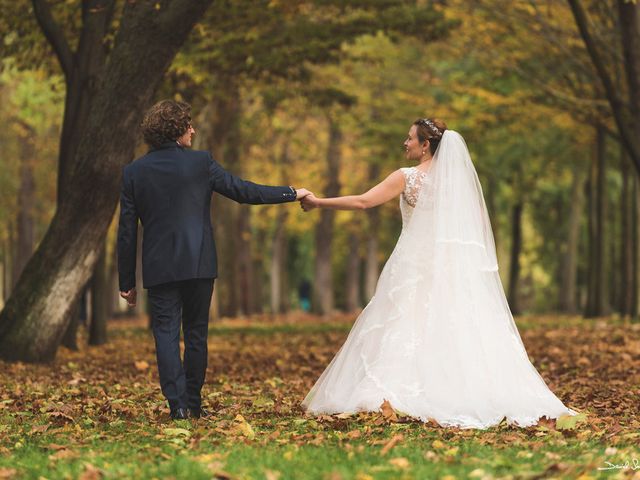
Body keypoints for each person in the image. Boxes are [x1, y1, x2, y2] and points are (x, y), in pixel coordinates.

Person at [299, 118, 578, 429]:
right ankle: (459, 388)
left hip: (413, 264)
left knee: (407, 322)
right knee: (450, 324)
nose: (405, 143)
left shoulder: (407, 177)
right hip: (449, 266)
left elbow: (364, 202)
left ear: (425, 145)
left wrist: (318, 202)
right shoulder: (457, 184)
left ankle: (404, 390)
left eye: (409, 139)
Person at [117, 100, 310, 420]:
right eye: (188, 124)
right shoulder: (201, 163)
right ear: (176, 130)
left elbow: (126, 231)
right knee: (195, 333)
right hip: (198, 263)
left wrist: (126, 282)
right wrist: (291, 192)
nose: (193, 129)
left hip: (159, 266)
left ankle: (177, 406)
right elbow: (243, 191)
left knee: (165, 333)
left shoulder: (133, 172)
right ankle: (193, 402)